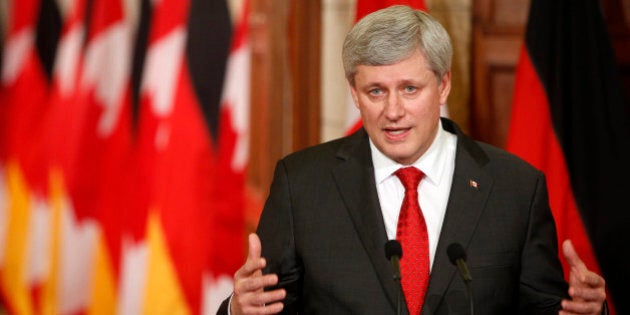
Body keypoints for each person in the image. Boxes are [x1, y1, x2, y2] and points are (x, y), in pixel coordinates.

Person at [218, 5, 607, 315]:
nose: (393, 110)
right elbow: (268, 305)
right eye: (375, 91)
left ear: (443, 85)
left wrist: (588, 312)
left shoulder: (515, 188)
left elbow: (545, 307)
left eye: (409, 88)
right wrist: (238, 309)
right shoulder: (301, 185)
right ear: (354, 94)